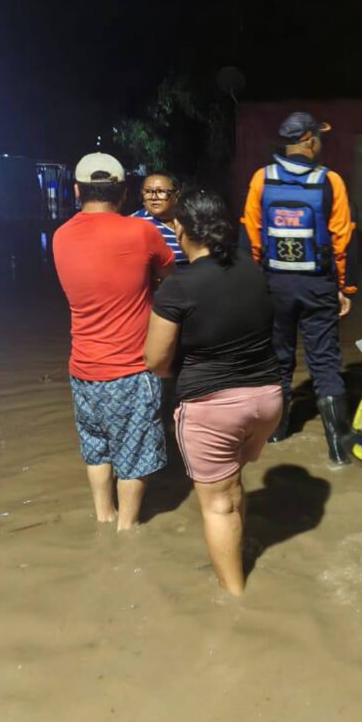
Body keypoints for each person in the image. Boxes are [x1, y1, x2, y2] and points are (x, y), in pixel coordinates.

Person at [145, 189, 283, 595]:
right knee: (232, 479)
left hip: (213, 408)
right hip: (267, 400)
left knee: (218, 505)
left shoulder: (179, 286)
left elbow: (155, 359)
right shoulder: (252, 268)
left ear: (180, 228)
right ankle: (241, 553)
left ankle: (235, 598)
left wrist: (178, 372)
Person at [52, 153, 174, 529]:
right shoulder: (142, 232)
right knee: (134, 455)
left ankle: (104, 518)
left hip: (83, 370)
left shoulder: (60, 237)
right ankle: (128, 532)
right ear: (123, 193)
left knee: (96, 449)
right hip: (131, 370)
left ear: (76, 191)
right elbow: (170, 275)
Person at [242, 112, 357, 465]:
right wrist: (343, 289)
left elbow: (253, 236)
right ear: (308, 139)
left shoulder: (262, 179)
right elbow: (340, 240)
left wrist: (257, 285)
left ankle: (277, 432)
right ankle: (338, 448)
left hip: (274, 283)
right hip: (318, 285)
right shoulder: (330, 181)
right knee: (325, 362)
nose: (321, 142)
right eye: (319, 136)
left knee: (278, 358)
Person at [132, 171, 188, 266]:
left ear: (177, 195)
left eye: (161, 191)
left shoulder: (191, 219)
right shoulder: (135, 223)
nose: (154, 197)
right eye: (148, 192)